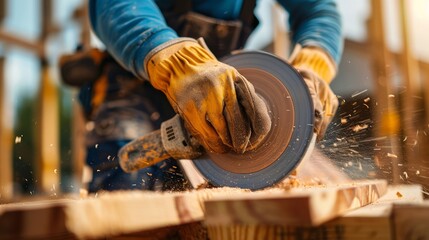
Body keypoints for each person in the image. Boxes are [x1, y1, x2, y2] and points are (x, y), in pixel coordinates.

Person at [61, 0, 342, 192]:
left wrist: (314, 60)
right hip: (135, 84)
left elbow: (317, 10)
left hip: (215, 99)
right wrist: (176, 62)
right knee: (128, 190)